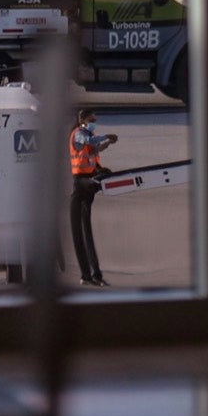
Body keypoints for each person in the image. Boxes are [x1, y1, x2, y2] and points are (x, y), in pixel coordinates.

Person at [67, 110, 114, 286]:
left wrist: (107, 142)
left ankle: (94, 275)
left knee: (86, 231)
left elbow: (95, 149)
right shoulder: (78, 134)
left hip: (88, 179)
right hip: (80, 182)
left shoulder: (89, 133)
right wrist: (105, 136)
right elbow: (89, 142)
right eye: (91, 119)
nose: (94, 122)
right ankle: (88, 274)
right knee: (81, 230)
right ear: (82, 120)